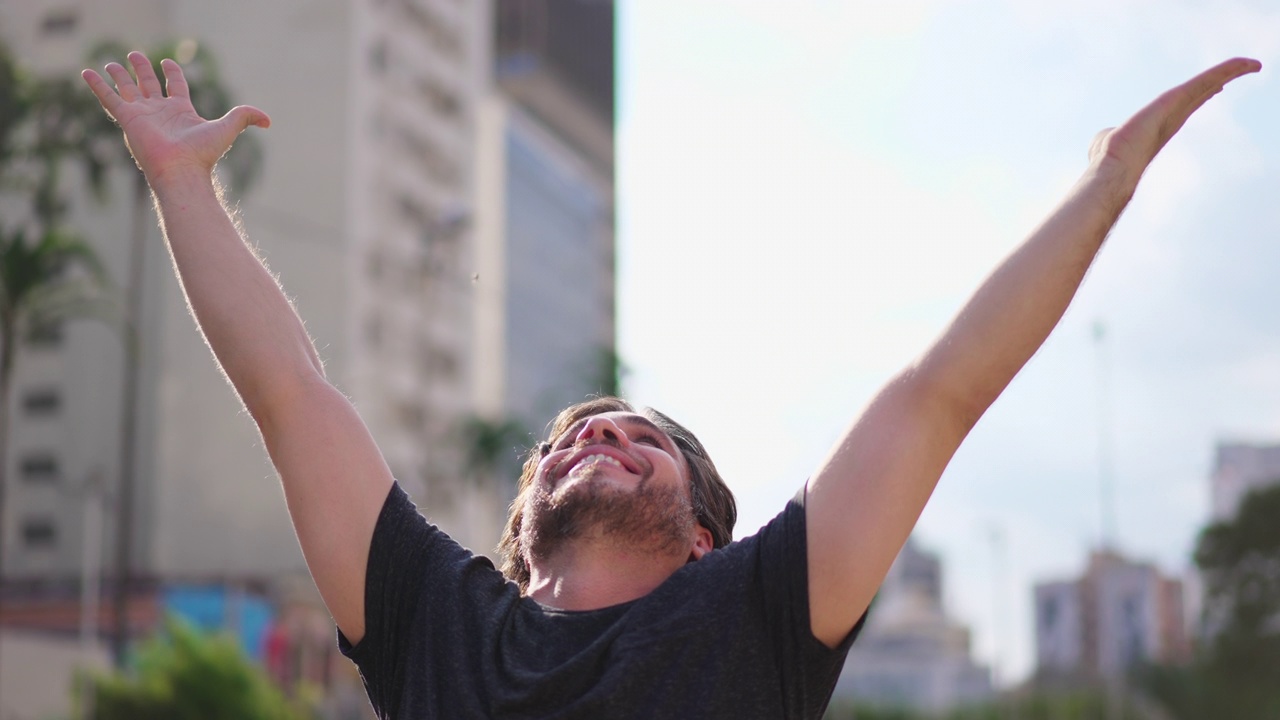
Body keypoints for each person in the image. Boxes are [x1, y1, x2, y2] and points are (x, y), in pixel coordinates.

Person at [82, 52, 1260, 719]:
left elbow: (936, 394)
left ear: (704, 533)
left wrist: (1103, 187)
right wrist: (181, 184)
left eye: (638, 437)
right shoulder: (431, 624)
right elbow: (291, 397)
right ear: (516, 530)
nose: (593, 432)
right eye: (567, 438)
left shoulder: (759, 615)